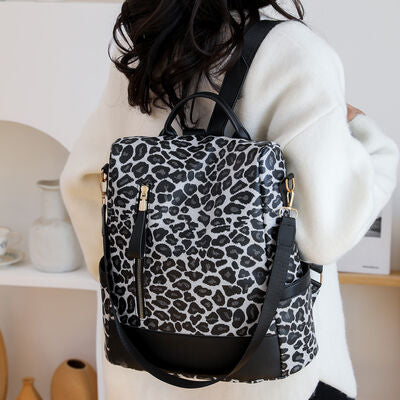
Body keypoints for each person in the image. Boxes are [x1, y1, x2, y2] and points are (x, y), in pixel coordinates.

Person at [60, 1, 399, 399]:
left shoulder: (145, 48)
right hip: (263, 374)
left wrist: (156, 276)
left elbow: (83, 185)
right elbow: (327, 231)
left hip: (144, 364)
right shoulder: (295, 54)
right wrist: (370, 141)